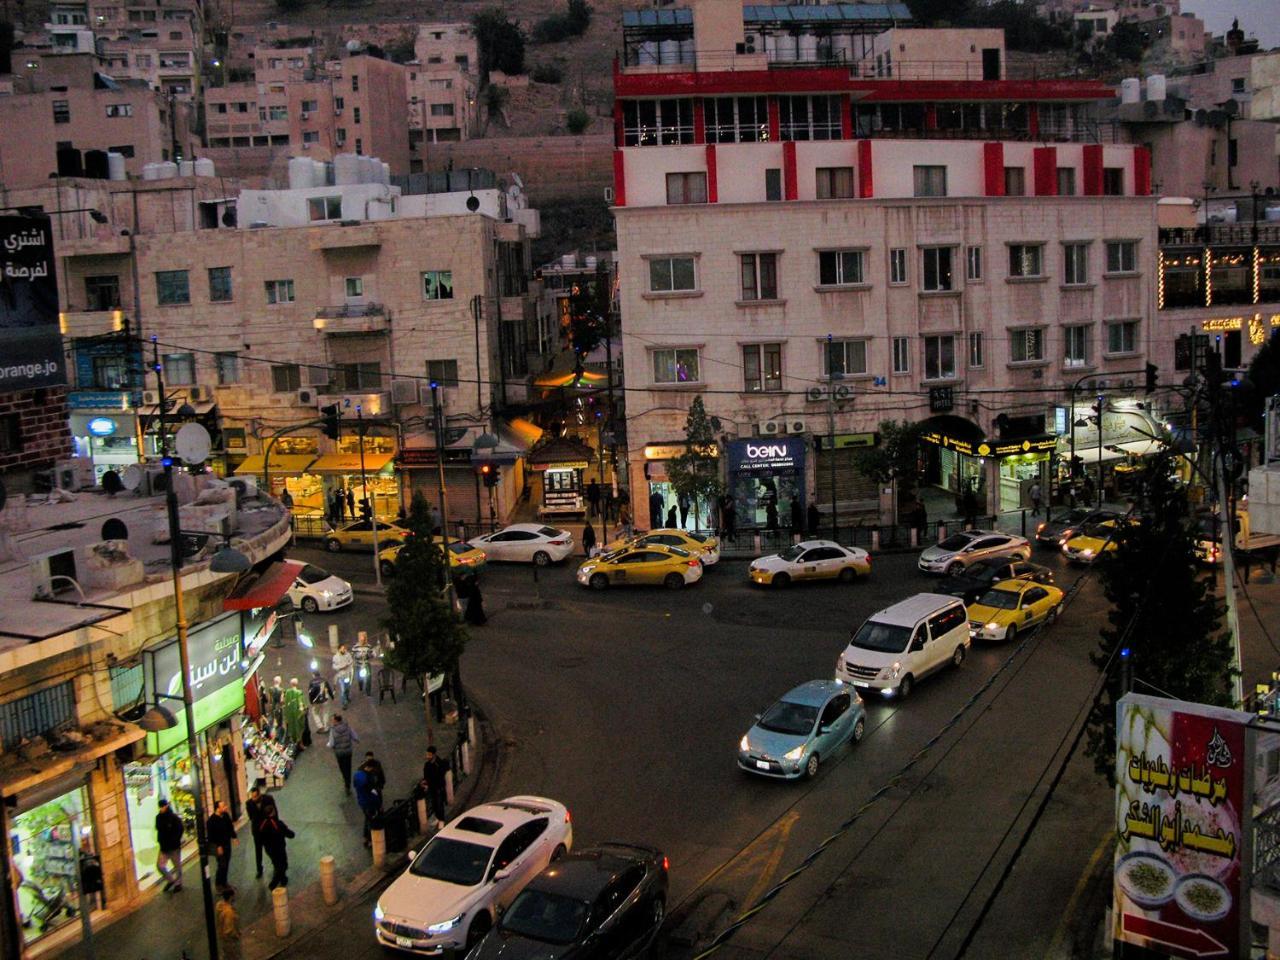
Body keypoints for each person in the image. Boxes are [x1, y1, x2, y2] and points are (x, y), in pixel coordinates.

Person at [258, 800, 295, 890]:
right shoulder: (277, 823)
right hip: (279, 848)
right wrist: (291, 834)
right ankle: (273, 884)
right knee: (282, 865)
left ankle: (283, 879)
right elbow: (289, 833)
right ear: (273, 812)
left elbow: (260, 838)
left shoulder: (262, 824)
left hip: (269, 849)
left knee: (276, 864)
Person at [154, 798, 184, 892]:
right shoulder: (158, 817)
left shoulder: (173, 817)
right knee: (160, 866)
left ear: (166, 806)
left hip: (173, 846)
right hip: (164, 847)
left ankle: (178, 883)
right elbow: (159, 829)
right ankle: (171, 880)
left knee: (177, 866)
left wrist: (176, 839)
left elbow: (180, 828)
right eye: (160, 807)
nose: (161, 808)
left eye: (163, 806)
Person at [206, 799, 237, 890]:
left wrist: (234, 837)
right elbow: (211, 836)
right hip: (219, 846)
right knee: (222, 864)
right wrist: (218, 846)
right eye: (223, 806)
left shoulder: (226, 816)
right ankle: (219, 884)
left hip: (227, 843)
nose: (225, 807)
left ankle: (224, 882)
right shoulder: (211, 821)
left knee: (226, 863)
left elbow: (230, 827)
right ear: (217, 809)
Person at [353, 758, 383, 846]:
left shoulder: (357, 774)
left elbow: (355, 785)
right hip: (369, 803)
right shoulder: (368, 779)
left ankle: (366, 838)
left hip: (361, 801)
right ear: (371, 768)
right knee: (371, 821)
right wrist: (379, 804)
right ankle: (370, 840)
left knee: (367, 819)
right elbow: (373, 794)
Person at [327, 714, 359, 793]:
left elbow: (331, 743)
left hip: (339, 753)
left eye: (333, 720)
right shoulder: (347, 727)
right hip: (348, 751)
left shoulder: (333, 730)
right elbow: (354, 735)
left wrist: (328, 745)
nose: (332, 721)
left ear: (336, 721)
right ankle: (348, 782)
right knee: (348, 767)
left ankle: (346, 781)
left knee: (342, 767)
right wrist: (357, 740)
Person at [420, 745, 450, 826]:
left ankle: (442, 820)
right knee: (434, 804)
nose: (427, 756)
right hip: (432, 787)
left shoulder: (439, 764)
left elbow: (440, 775)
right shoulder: (427, 764)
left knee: (439, 803)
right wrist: (425, 783)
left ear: (434, 755)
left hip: (438, 787)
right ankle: (438, 818)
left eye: (429, 755)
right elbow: (426, 776)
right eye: (427, 754)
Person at [245, 786, 268, 879]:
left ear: (259, 795)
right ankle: (259, 869)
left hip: (266, 829)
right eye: (252, 796)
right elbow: (251, 817)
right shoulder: (249, 803)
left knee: (270, 848)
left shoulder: (266, 799)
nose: (253, 799)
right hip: (257, 831)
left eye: (255, 796)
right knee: (258, 851)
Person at [215, 886, 242, 960]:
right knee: (233, 956)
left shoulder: (219, 905)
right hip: (230, 941)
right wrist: (236, 935)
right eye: (233, 896)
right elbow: (229, 930)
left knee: (225, 955)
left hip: (222, 937)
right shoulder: (229, 913)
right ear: (230, 897)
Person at [282, 678, 307, 747]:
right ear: (297, 684)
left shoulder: (287, 692)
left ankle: (293, 742)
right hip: (297, 714)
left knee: (291, 728)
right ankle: (300, 744)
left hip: (289, 714)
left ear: (290, 684)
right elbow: (301, 704)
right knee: (299, 728)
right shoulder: (299, 693)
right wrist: (303, 711)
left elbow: (283, 701)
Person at [351, 633, 374, 697]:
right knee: (359, 678)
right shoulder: (355, 646)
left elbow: (372, 654)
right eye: (361, 640)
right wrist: (357, 656)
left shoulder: (369, 646)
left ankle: (368, 691)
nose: (362, 641)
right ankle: (360, 685)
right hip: (358, 664)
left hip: (366, 664)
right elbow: (352, 654)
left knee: (368, 678)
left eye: (363, 640)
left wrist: (368, 655)